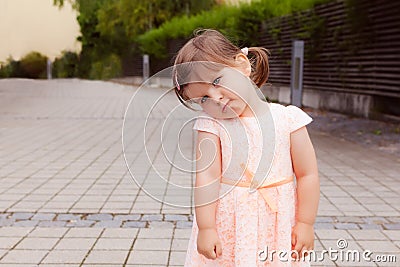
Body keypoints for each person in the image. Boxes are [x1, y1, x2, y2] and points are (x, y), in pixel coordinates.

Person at [172, 29, 320, 266]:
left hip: (278, 222)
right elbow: (207, 177)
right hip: (231, 223)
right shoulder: (212, 126)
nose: (216, 98)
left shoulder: (288, 119)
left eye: (217, 82)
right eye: (203, 99)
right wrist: (206, 227)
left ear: (242, 64)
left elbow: (307, 174)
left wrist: (305, 223)